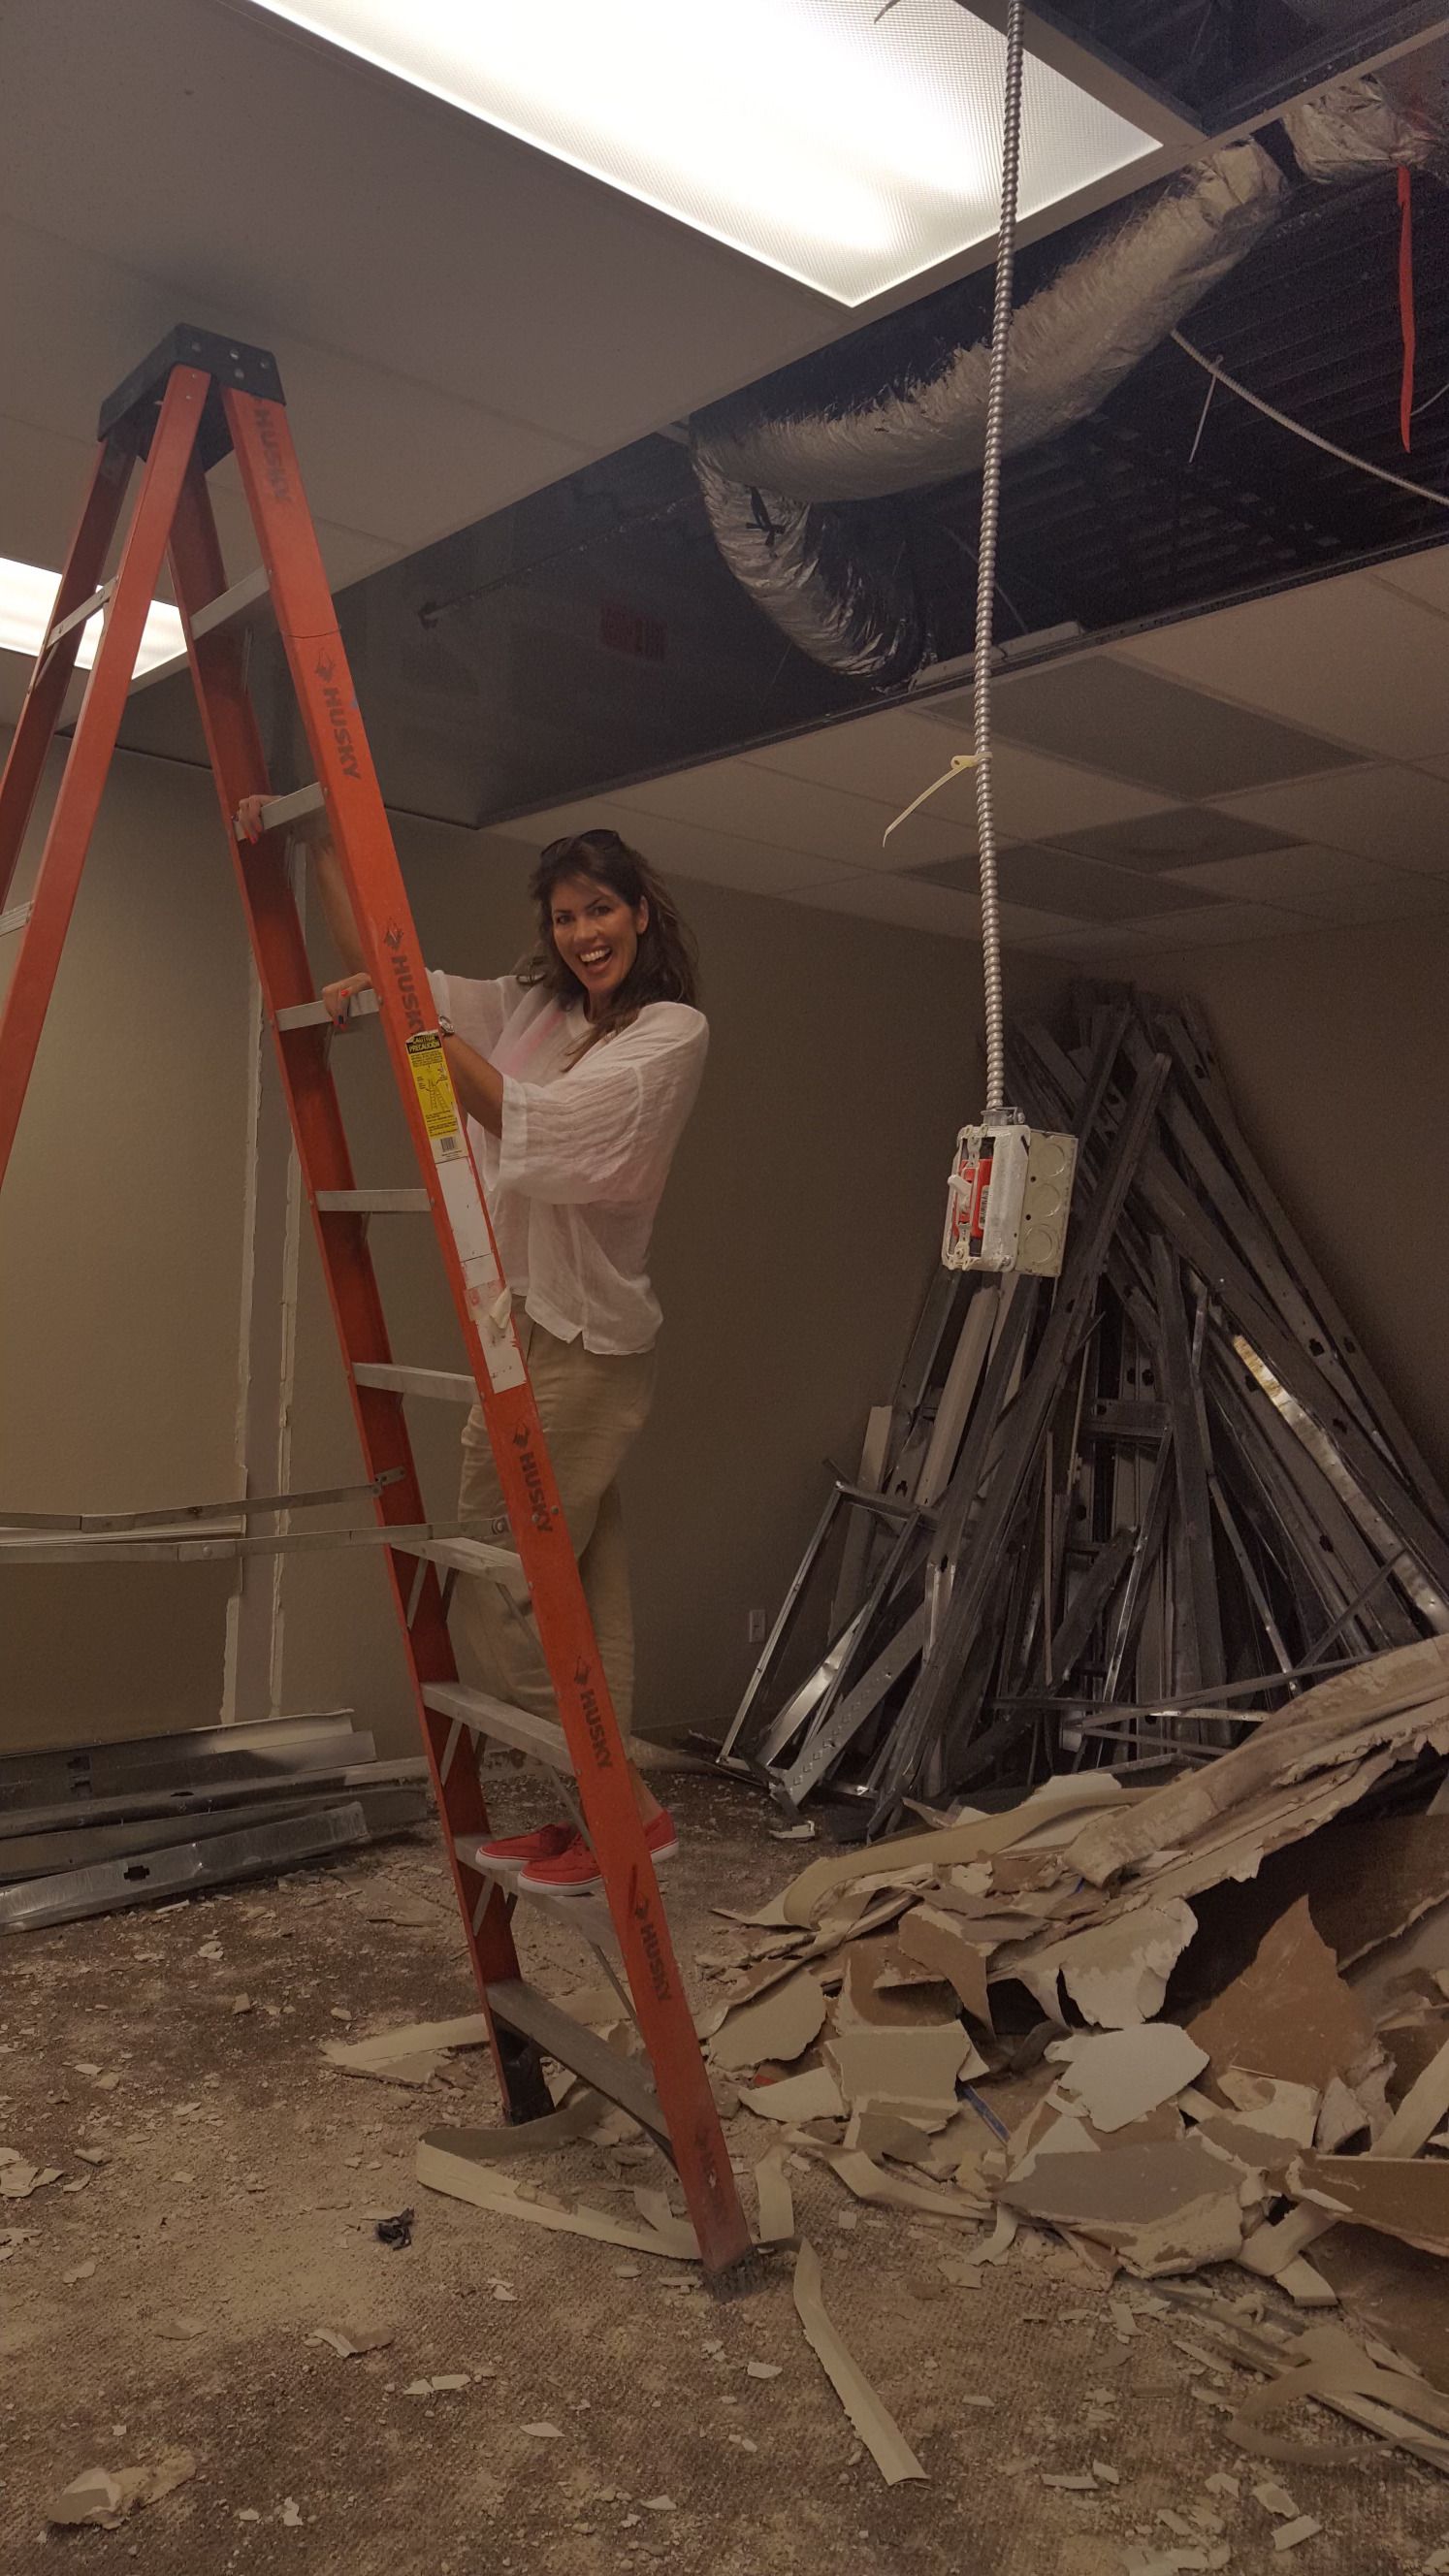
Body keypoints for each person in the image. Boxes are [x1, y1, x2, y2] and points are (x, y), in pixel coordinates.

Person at [236, 801, 707, 1897]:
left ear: (640, 912)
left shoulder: (666, 1031)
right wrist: (315, 834)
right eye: (566, 916)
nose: (585, 932)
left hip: (585, 1344)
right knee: (582, 1595)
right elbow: (405, 977)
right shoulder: (540, 1008)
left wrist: (418, 1033)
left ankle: (620, 1815)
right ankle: (596, 1810)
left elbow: (539, 1136)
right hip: (528, 1324)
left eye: (601, 909)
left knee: (507, 1569)